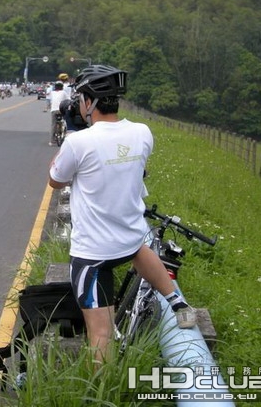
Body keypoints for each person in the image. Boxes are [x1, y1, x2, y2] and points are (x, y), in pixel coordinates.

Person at [48, 64, 196, 366]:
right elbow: (135, 167)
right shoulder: (142, 132)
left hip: (93, 254)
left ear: (89, 102)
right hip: (129, 239)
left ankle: (103, 391)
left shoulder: (78, 142)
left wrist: (73, 130)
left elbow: (55, 179)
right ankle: (177, 301)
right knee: (140, 248)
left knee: (100, 333)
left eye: (79, 99)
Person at [49, 81, 69, 145]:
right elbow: (68, 100)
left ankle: (52, 140)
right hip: (61, 110)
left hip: (53, 110)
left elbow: (51, 101)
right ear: (62, 87)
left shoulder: (52, 93)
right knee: (66, 120)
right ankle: (65, 134)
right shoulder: (63, 92)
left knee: (53, 125)